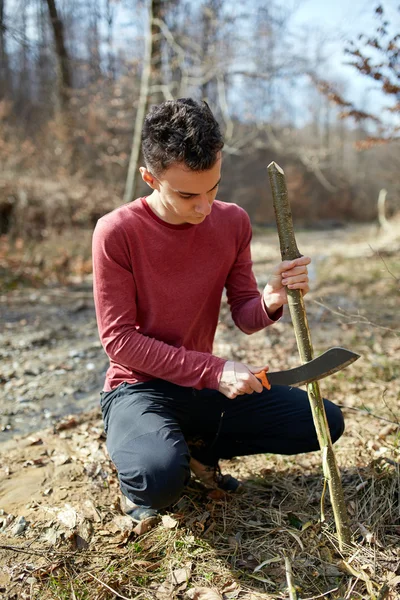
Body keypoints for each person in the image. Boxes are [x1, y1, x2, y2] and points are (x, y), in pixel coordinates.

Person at [92, 98, 344, 527]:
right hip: (139, 389)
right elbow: (120, 340)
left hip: (202, 391)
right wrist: (214, 370)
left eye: (214, 188)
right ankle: (154, 455)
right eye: (188, 194)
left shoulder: (233, 222)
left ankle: (198, 448)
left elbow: (245, 314)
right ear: (150, 178)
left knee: (323, 420)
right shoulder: (117, 232)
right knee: (157, 479)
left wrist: (271, 299)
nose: (205, 205)